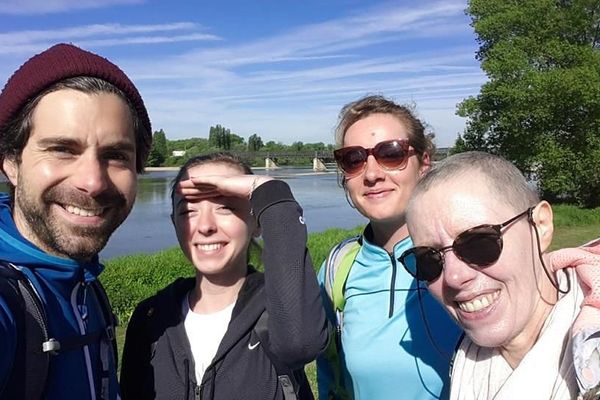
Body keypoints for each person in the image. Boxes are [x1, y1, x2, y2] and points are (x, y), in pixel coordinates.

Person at [0, 43, 152, 399]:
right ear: (10, 162)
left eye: (115, 155)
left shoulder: (84, 284)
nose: (93, 181)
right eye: (62, 149)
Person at [119, 153, 328, 399]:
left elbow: (300, 344)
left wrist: (270, 192)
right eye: (188, 211)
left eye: (225, 207)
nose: (205, 226)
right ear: (174, 223)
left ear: (257, 222)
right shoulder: (151, 319)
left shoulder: (278, 308)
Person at [401, 151, 600, 400]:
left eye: (478, 242)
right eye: (428, 259)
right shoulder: (465, 362)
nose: (453, 276)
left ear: (540, 226)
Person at [316, 95, 462, 399]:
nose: (371, 174)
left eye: (391, 153)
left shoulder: (468, 253)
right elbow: (331, 378)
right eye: (353, 159)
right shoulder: (337, 270)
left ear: (423, 163)